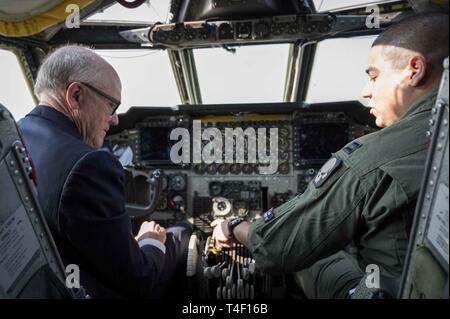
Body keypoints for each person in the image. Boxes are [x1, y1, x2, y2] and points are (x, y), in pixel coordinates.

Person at [211, 12, 449, 299]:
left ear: (414, 70)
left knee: (315, 252)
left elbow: (279, 247)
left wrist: (234, 225)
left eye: (374, 77)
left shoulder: (372, 158)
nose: (366, 92)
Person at [18, 45, 191, 298]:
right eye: (112, 105)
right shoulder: (88, 166)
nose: (115, 119)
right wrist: (149, 240)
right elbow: (139, 280)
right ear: (76, 95)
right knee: (181, 233)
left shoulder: (16, 136)